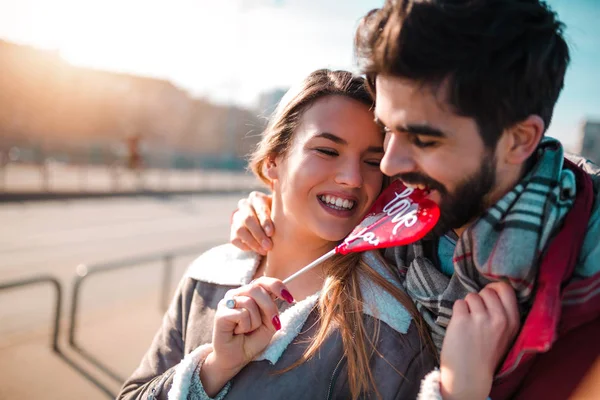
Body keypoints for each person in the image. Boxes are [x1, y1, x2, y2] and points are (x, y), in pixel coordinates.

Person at [229, 1, 600, 399]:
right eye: (387, 131)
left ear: (520, 139)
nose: (389, 164)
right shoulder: (406, 212)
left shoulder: (585, 293)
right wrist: (273, 211)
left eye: (424, 139)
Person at [119, 69, 451, 400]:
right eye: (327, 151)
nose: (352, 178)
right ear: (274, 160)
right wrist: (214, 368)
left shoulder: (388, 326)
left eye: (372, 161)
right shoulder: (208, 276)